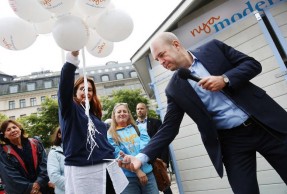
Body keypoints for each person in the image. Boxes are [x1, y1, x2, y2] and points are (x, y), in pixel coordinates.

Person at [119, 32, 287, 194]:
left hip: (265, 125)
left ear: (176, 45)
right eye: (157, 60)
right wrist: (140, 158)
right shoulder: (174, 89)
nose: (161, 62)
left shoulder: (214, 48)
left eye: (162, 55)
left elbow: (253, 65)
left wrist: (225, 79)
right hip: (232, 143)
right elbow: (169, 127)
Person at [58, 51, 116, 194]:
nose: (86, 92)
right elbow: (64, 88)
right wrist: (72, 60)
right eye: (82, 88)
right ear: (75, 92)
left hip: (107, 168)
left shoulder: (94, 116)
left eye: (89, 89)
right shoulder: (70, 110)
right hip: (85, 171)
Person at [107, 103, 159, 194]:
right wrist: (137, 171)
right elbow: (118, 155)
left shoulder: (140, 129)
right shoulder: (111, 134)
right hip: (127, 179)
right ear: (114, 115)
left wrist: (139, 167)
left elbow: (146, 150)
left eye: (124, 111)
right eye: (119, 112)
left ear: (128, 114)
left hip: (148, 174)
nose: (122, 113)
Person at [0, 119, 49, 194]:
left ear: (19, 128)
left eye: (14, 127)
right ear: (4, 135)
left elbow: (45, 164)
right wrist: (30, 189)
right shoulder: (3, 152)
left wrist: (39, 183)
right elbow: (9, 175)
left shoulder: (35, 143)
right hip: (21, 191)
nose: (13, 130)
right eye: (8, 130)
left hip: (42, 188)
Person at [136, 102, 172, 194]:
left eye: (142, 108)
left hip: (157, 159)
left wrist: (164, 160)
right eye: (138, 109)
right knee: (149, 187)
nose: (139, 110)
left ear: (146, 110)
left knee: (165, 186)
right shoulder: (133, 126)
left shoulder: (155, 122)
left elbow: (163, 142)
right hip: (142, 162)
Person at [47, 127, 65, 194]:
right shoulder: (54, 153)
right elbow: (54, 176)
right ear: (59, 135)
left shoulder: (80, 150)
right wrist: (73, 185)